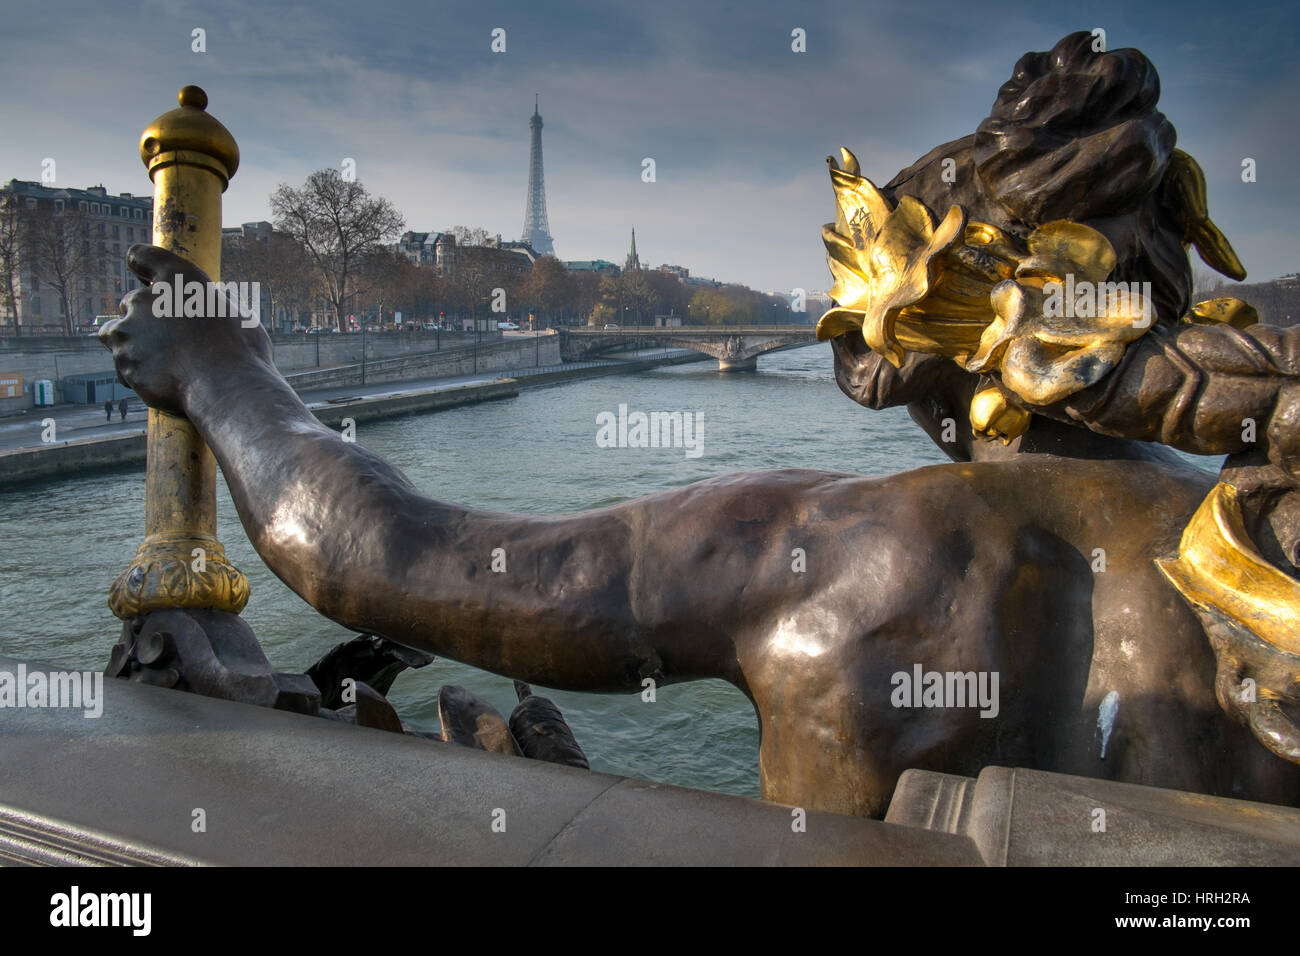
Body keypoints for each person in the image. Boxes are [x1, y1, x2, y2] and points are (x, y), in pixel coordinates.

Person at [97, 33, 1300, 817]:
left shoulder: (831, 543)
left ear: (911, 333)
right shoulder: (1267, 540)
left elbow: (378, 555)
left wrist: (224, 371)